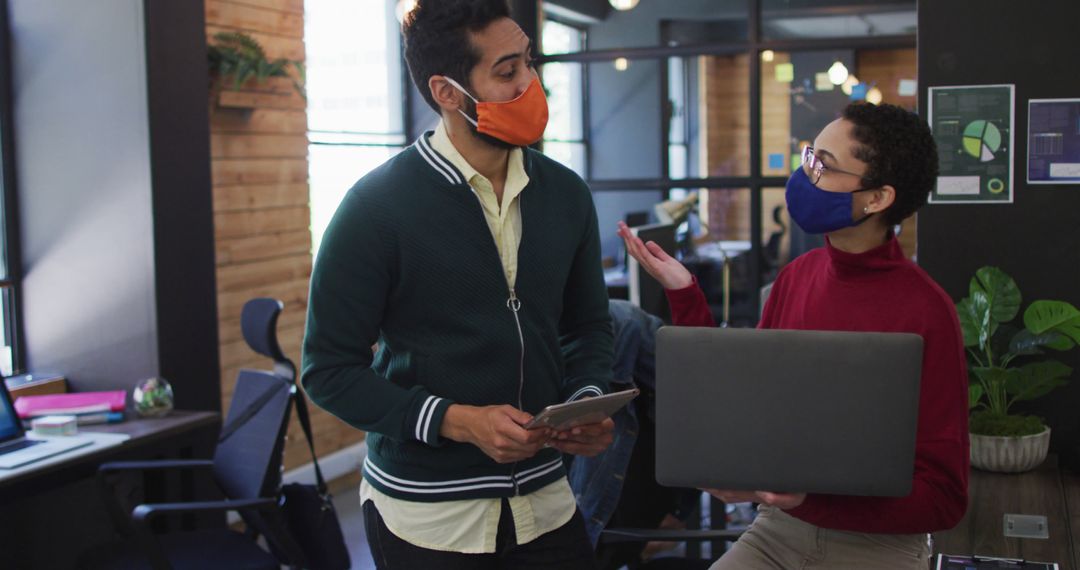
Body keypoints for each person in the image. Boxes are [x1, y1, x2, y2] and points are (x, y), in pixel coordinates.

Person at [301, 1, 614, 568]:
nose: (531, 84)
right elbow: (328, 371)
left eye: (529, 64)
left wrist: (585, 403)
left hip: (547, 502)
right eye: (507, 71)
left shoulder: (567, 195)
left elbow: (588, 327)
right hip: (427, 518)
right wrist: (455, 420)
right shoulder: (374, 210)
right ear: (447, 92)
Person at [618, 102, 969, 569]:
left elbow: (943, 499)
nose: (806, 176)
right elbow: (747, 401)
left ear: (877, 199)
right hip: (776, 533)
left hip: (877, 546)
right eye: (810, 156)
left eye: (824, 165)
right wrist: (685, 294)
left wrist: (806, 499)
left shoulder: (927, 311)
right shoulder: (797, 276)